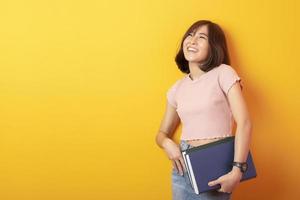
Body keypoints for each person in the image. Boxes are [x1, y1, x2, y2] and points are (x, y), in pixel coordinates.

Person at [155, 20, 253, 200]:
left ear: (214, 47)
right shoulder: (177, 88)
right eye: (190, 35)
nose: (192, 41)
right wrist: (167, 144)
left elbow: (245, 122)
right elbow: (161, 133)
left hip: (214, 165)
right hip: (182, 168)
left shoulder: (224, 73)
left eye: (201, 37)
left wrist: (238, 169)